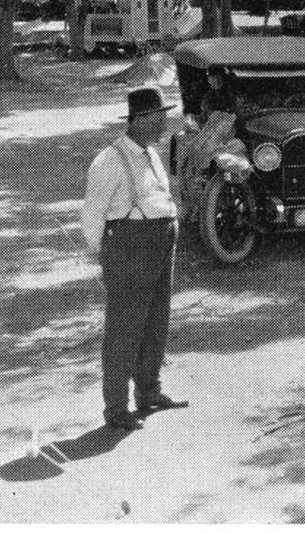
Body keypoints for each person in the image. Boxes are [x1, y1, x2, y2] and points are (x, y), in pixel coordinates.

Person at [81, 86, 188, 431]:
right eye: (159, 119)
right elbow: (93, 216)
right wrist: (104, 256)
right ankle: (116, 408)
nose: (164, 125)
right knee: (124, 328)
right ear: (140, 120)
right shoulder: (109, 160)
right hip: (130, 246)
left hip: (160, 242)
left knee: (156, 320)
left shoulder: (151, 153)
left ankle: (149, 391)